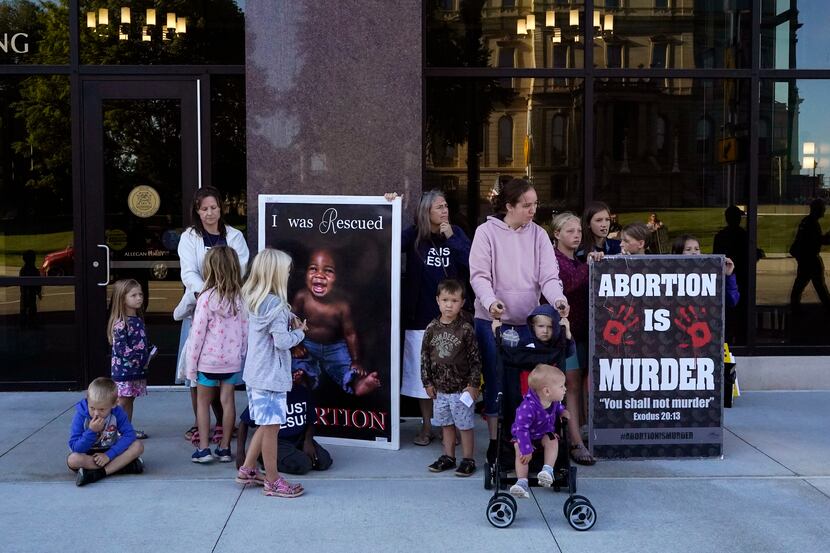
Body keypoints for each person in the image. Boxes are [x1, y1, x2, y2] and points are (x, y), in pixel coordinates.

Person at [469, 178, 569, 464]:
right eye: (526, 205)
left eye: (535, 204)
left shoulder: (538, 235)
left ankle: (527, 439)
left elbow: (548, 276)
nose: (532, 210)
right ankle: (496, 441)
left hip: (528, 323)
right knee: (497, 382)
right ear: (509, 206)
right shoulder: (486, 233)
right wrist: (491, 302)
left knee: (527, 385)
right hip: (493, 322)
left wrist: (558, 299)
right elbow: (479, 276)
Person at [175, 186, 249, 445]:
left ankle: (223, 425)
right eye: (204, 208)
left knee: (225, 373)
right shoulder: (189, 238)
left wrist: (223, 293)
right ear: (197, 210)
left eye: (214, 207)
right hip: (200, 308)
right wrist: (206, 294)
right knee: (197, 375)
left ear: (221, 208)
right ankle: (201, 423)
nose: (210, 213)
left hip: (228, 310)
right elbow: (188, 273)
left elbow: (239, 268)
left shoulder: (235, 236)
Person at [399, 190, 472, 446]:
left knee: (451, 374)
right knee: (423, 376)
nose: (444, 211)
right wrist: (388, 204)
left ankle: (448, 428)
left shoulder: (457, 234)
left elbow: (470, 263)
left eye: (445, 206)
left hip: (452, 319)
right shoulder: (415, 235)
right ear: (426, 212)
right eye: (439, 207)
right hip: (420, 318)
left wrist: (452, 238)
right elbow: (389, 242)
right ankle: (427, 426)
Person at [237, 248, 306, 498]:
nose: (288, 275)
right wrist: (300, 333)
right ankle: (273, 481)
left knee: (265, 426)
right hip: (271, 377)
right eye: (286, 271)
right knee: (272, 428)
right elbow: (281, 341)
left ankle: (247, 469)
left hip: (256, 374)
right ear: (276, 274)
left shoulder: (256, 299)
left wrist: (290, 317)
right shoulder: (275, 304)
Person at [185, 246, 248, 464]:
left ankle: (203, 449)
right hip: (231, 362)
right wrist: (241, 356)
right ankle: (224, 448)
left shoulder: (205, 298)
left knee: (203, 403)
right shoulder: (240, 299)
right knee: (228, 401)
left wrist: (191, 366)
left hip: (207, 362)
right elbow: (245, 331)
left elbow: (197, 335)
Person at [292, 247, 380, 396]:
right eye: (313, 268)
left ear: (338, 278)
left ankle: (358, 384)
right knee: (299, 363)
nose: (319, 275)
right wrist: (297, 345)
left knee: (347, 368)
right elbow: (292, 319)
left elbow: (350, 334)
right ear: (305, 273)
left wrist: (356, 360)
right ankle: (304, 379)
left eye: (328, 271)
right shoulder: (302, 297)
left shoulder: (342, 305)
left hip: (334, 347)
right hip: (307, 343)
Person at [236, 350, 332, 475]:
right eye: (294, 373)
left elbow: (310, 421)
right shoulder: (272, 393)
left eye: (300, 373)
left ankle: (297, 455)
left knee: (324, 461)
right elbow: (244, 423)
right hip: (278, 441)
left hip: (299, 438)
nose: (297, 376)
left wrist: (308, 441)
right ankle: (264, 458)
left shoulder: (303, 392)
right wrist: (240, 453)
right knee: (303, 465)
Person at [551, 212, 599, 465]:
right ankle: (574, 441)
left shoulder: (579, 260)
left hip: (582, 332)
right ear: (557, 234)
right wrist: (590, 266)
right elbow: (566, 286)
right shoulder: (554, 260)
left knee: (580, 384)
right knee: (569, 385)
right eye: (570, 231)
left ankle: (578, 433)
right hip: (563, 335)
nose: (577, 235)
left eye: (579, 230)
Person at [421, 279, 481, 477]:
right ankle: (448, 456)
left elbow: (475, 360)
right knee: (445, 424)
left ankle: (468, 459)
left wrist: (473, 385)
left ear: (462, 302)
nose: (449, 305)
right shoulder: (431, 328)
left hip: (460, 389)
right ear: (437, 300)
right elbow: (425, 357)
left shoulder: (465, 330)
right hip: (440, 390)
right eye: (445, 300)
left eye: (454, 300)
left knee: (464, 426)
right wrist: (427, 382)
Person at [67, 377, 145, 487]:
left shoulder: (117, 412)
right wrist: (91, 431)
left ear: (114, 404)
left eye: (102, 409)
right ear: (87, 400)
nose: (96, 413)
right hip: (88, 453)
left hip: (111, 451)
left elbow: (129, 435)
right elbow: (76, 447)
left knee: (138, 446)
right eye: (92, 408)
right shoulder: (81, 415)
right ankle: (122, 467)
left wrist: (108, 455)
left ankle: (99, 473)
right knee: (73, 460)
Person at [508, 364, 569, 499]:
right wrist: (526, 449)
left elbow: (559, 407)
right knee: (520, 450)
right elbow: (521, 428)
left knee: (552, 440)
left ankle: (547, 471)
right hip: (524, 436)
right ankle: (522, 482)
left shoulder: (553, 401)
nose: (565, 389)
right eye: (561, 386)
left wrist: (562, 411)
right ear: (547, 391)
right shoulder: (527, 408)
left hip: (542, 434)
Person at [108, 279, 155, 439]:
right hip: (124, 371)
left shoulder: (138, 321)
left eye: (140, 294)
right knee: (122, 401)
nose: (139, 298)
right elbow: (121, 348)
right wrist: (137, 358)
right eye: (133, 295)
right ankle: (116, 429)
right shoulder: (121, 323)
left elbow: (140, 341)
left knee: (130, 400)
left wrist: (148, 351)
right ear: (122, 299)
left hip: (136, 370)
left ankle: (127, 430)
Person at [713, 205, 749, 342]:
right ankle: (735, 338)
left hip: (737, 279)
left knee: (733, 311)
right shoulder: (743, 235)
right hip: (736, 278)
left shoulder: (722, 236)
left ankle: (735, 338)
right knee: (734, 311)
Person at [672, 234, 739, 307]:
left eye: (697, 249)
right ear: (678, 253)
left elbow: (732, 301)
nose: (694, 252)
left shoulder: (711, 275)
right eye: (688, 249)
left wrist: (728, 276)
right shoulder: (670, 277)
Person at [789, 198, 830, 310]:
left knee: (799, 287)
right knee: (820, 288)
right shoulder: (812, 223)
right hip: (811, 260)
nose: (824, 211)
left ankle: (795, 308)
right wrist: (827, 238)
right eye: (822, 209)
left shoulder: (806, 221)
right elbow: (816, 241)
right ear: (818, 210)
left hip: (805, 260)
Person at [19, 250, 41, 328]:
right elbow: (38, 284)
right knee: (31, 309)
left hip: (26, 294)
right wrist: (38, 292)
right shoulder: (35, 271)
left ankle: (25, 324)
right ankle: (31, 323)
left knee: (25, 309)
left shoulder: (23, 270)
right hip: (30, 294)